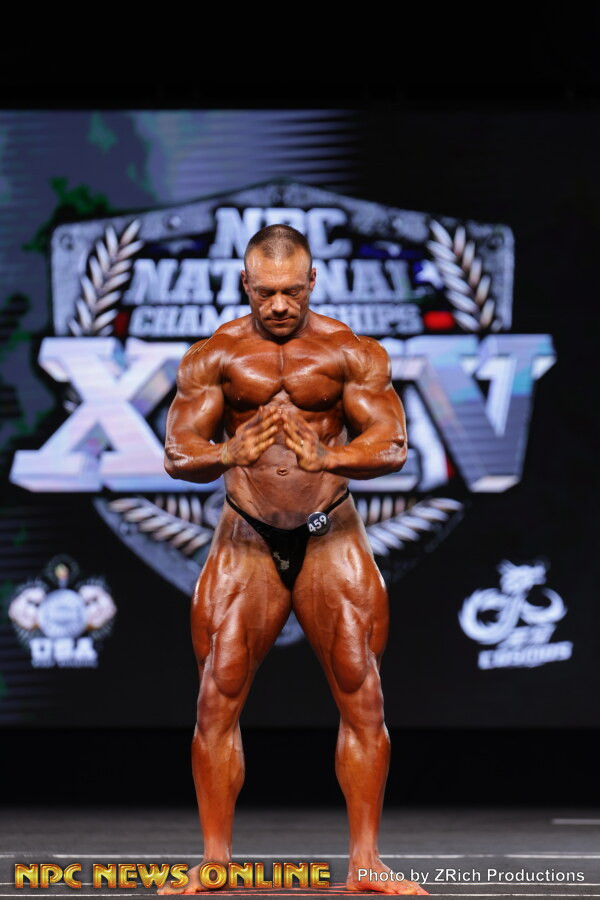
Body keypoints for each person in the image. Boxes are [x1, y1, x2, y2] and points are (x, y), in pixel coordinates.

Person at [161, 224, 427, 896]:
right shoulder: (214, 357)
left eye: (291, 291)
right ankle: (215, 863)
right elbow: (179, 452)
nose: (279, 305)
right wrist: (229, 451)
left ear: (312, 282)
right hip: (246, 535)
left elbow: (392, 445)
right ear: (244, 284)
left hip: (328, 531)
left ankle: (366, 865)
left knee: (362, 693)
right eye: (265, 292)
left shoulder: (349, 352)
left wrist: (329, 456)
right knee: (216, 697)